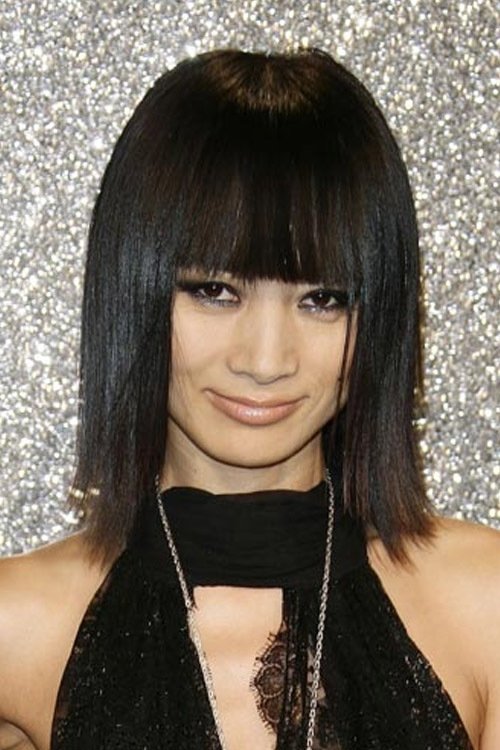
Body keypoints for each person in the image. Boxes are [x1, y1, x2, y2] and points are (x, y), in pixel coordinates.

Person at [0, 48, 498, 750]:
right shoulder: (18, 629)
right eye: (214, 290)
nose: (266, 361)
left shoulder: (483, 608)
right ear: (134, 287)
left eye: (323, 299)